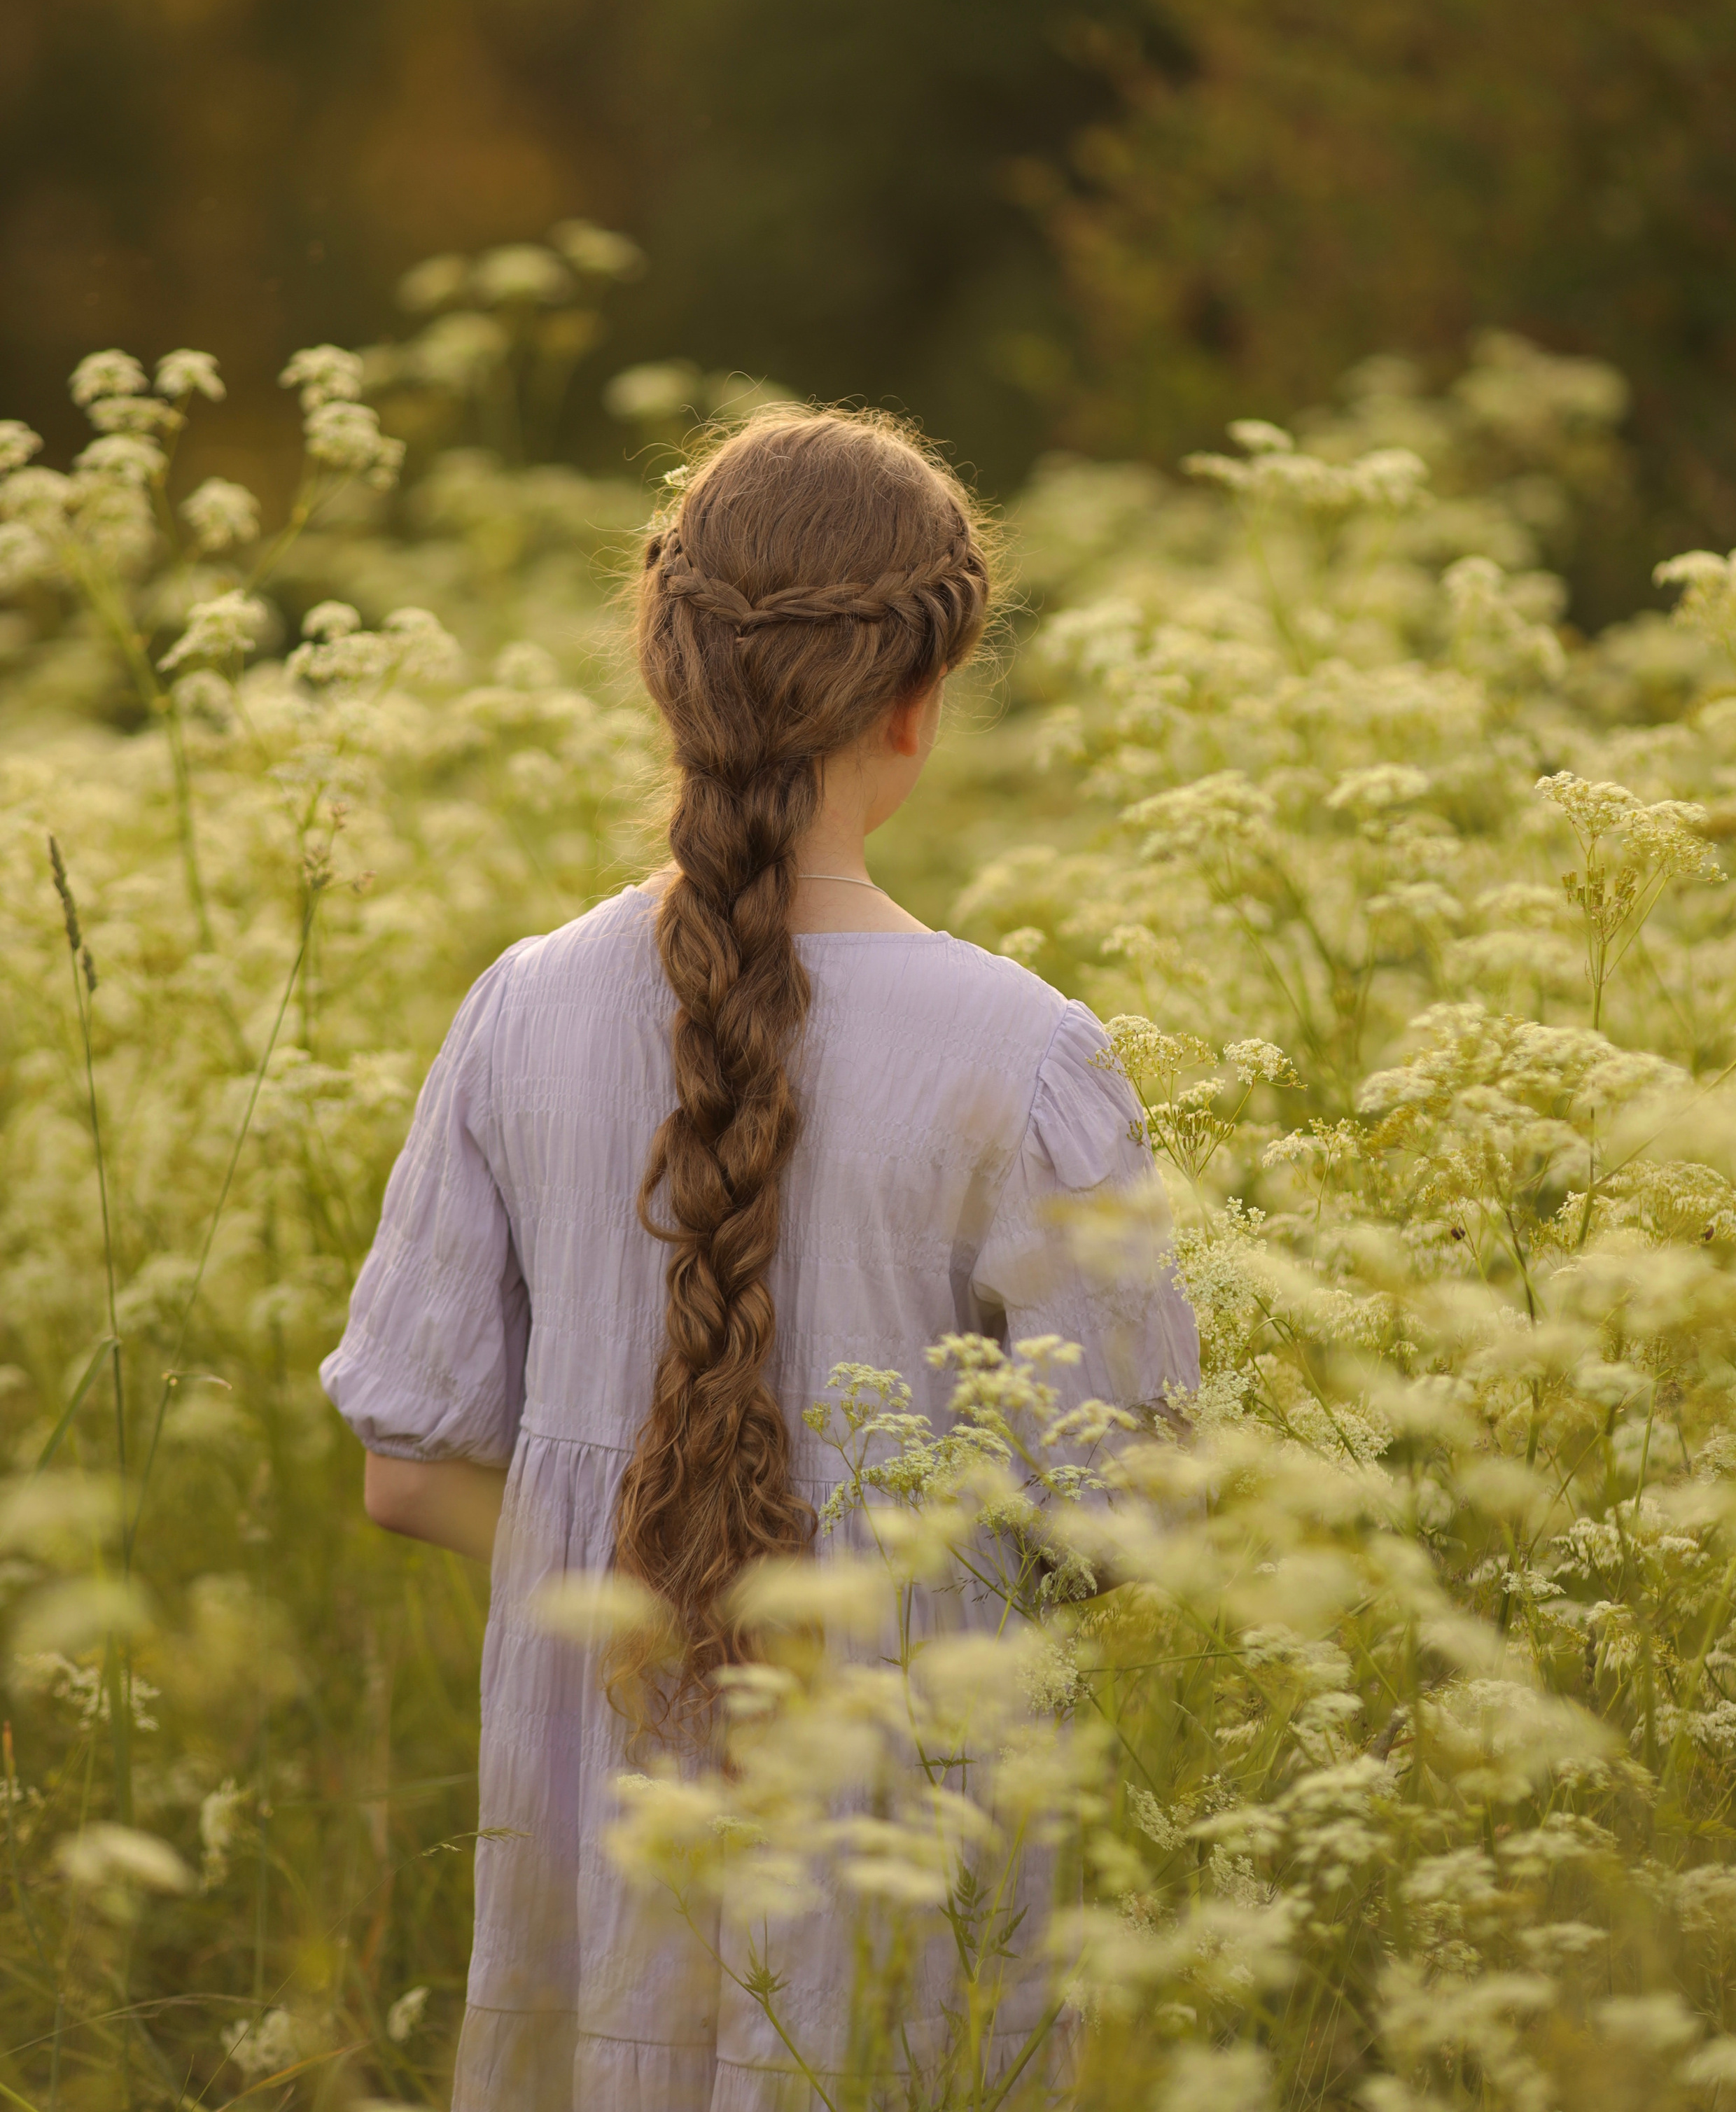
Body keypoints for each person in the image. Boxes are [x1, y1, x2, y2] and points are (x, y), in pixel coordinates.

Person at [320, 405, 1197, 2111]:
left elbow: (407, 1475)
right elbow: (1127, 1516)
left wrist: (650, 1568)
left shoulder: (520, 1009)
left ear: (666, 676)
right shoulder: (1023, 1056)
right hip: (900, 1871)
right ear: (917, 698)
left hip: (597, 1850)